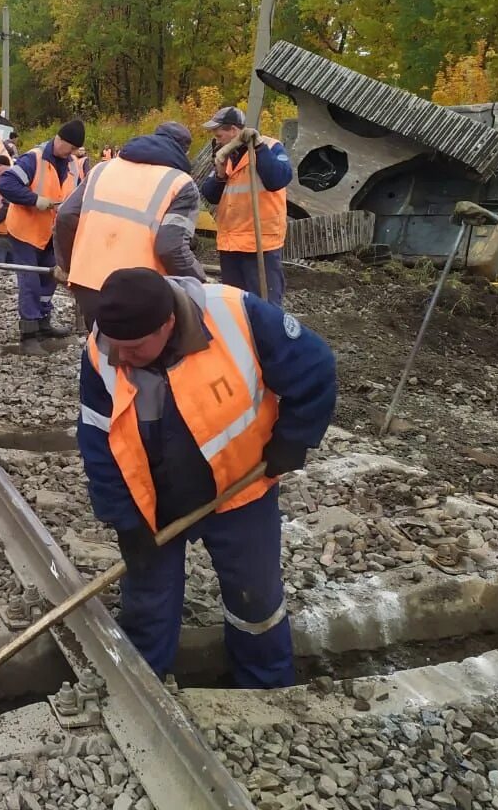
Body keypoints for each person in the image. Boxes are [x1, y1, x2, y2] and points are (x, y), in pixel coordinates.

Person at [78, 267, 335, 688]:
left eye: (134, 348)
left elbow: (315, 366)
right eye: (114, 347)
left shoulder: (238, 316)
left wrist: (295, 437)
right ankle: (141, 687)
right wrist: (124, 518)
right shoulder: (103, 349)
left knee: (256, 599)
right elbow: (97, 440)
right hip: (155, 504)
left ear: (168, 324)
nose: (120, 358)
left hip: (240, 490)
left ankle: (266, 687)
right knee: (147, 603)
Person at [55, 121, 206, 327]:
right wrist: (198, 282)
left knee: (98, 351)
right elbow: (171, 247)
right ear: (184, 151)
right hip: (140, 292)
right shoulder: (180, 184)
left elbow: (65, 216)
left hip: (87, 283)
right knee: (136, 355)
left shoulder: (103, 168)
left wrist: (67, 266)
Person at [0, 120, 84, 354]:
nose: (72, 153)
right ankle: (28, 334)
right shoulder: (33, 159)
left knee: (48, 279)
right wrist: (34, 200)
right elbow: (6, 184)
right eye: (71, 148)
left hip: (50, 232)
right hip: (25, 232)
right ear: (60, 139)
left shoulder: (72, 164)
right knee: (30, 281)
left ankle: (43, 322)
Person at [199, 106, 292, 304]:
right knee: (235, 306)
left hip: (260, 243)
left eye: (219, 134)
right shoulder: (225, 156)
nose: (216, 139)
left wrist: (259, 148)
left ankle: (266, 336)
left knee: (265, 306)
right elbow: (210, 195)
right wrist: (220, 173)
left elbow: (278, 179)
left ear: (234, 130)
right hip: (230, 243)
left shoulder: (270, 146)